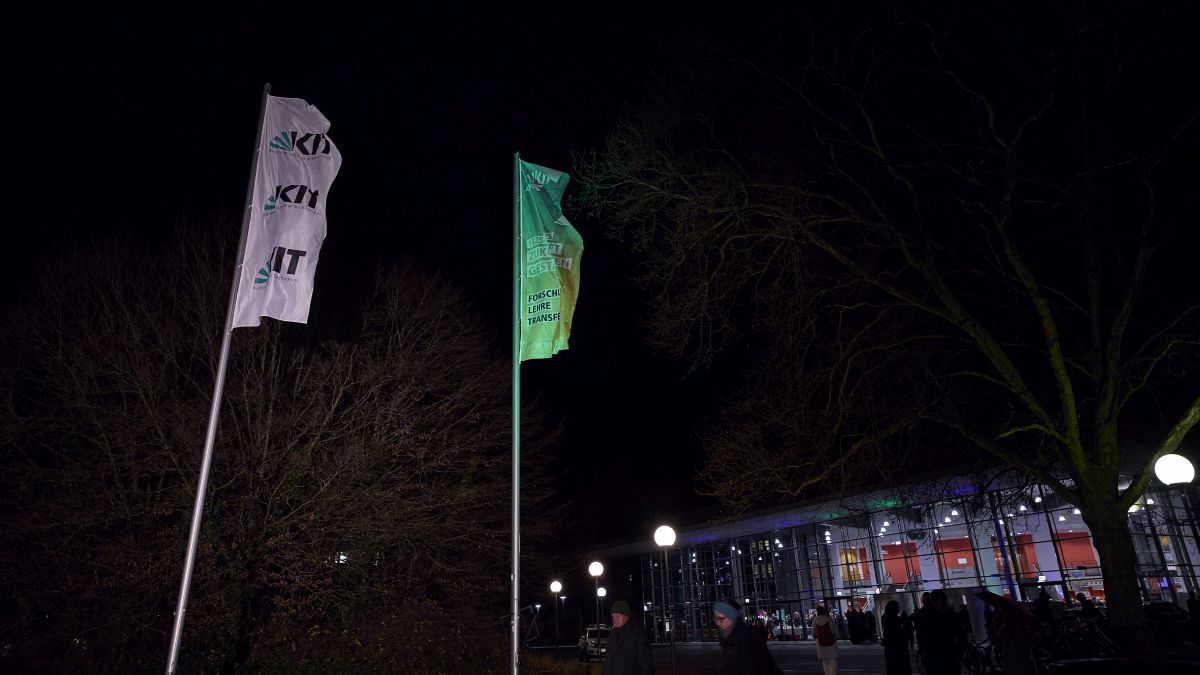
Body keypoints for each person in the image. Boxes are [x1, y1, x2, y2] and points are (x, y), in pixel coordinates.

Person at [713, 600, 782, 674]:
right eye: (716, 619)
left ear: (732, 617)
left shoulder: (746, 638)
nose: (717, 623)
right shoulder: (727, 637)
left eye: (721, 618)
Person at [916, 589, 966, 675]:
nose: (941, 606)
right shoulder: (953, 615)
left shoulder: (925, 615)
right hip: (949, 656)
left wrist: (923, 650)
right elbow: (962, 636)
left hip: (935, 656)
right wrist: (959, 653)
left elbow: (921, 634)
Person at [603, 600, 654, 675]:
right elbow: (608, 662)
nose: (614, 620)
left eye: (617, 616)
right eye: (613, 617)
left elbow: (645, 665)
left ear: (626, 617)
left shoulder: (637, 636)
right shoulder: (612, 636)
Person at [881, 600, 912, 675]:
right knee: (903, 669)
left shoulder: (886, 620)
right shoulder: (897, 620)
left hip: (890, 652)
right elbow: (904, 634)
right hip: (900, 650)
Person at [812, 604, 839, 675]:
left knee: (824, 663)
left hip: (820, 643)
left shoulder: (815, 620)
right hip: (831, 643)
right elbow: (835, 631)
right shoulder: (829, 619)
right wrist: (836, 637)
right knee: (832, 661)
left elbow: (813, 633)